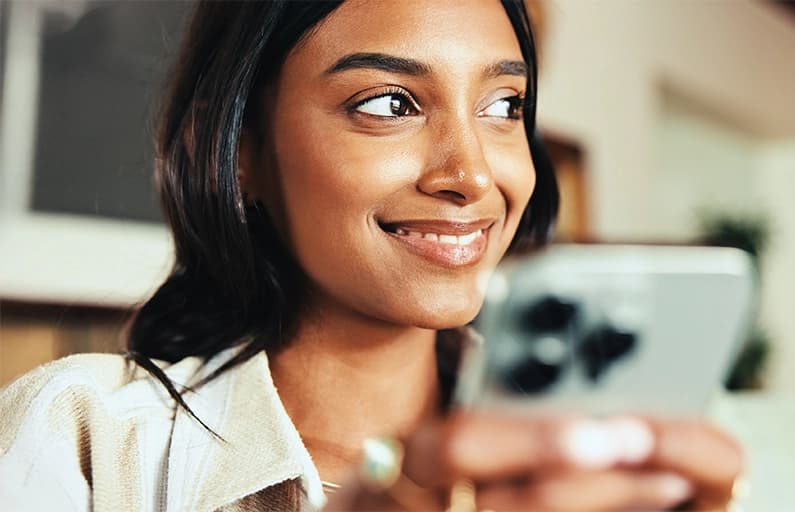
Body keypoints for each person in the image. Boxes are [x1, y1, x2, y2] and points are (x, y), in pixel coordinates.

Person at [0, 1, 744, 510]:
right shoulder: (85, 434)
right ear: (237, 152)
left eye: (504, 107)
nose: (473, 176)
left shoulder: (599, 463)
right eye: (389, 103)